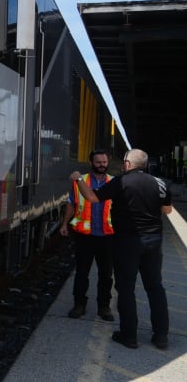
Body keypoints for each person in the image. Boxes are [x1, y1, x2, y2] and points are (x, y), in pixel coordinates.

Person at [70, 148, 173, 350]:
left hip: (128, 242)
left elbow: (91, 198)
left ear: (127, 163)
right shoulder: (160, 183)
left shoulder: (121, 182)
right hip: (153, 242)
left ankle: (129, 336)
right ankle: (161, 336)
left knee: (126, 288)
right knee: (155, 287)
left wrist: (78, 180)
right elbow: (167, 210)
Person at [59, 149, 114, 322]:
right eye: (98, 162)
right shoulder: (80, 181)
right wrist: (64, 224)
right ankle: (79, 305)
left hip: (107, 235)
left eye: (104, 162)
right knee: (82, 272)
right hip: (85, 235)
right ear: (91, 163)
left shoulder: (114, 182)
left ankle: (104, 307)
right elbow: (71, 204)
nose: (102, 165)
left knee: (106, 274)